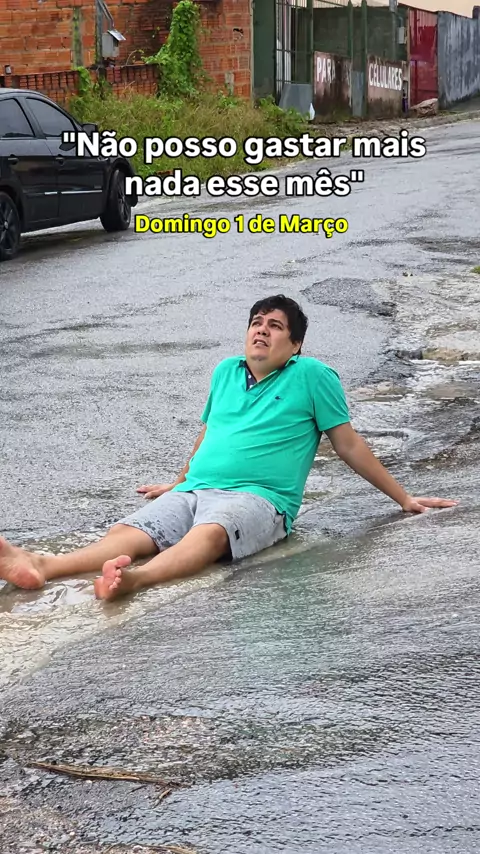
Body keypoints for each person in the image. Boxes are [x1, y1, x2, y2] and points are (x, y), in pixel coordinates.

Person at [0, 294, 458, 601]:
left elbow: (349, 445)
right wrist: (179, 482)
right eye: (256, 323)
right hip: (197, 487)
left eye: (275, 326)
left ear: (295, 344)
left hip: (260, 499)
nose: (261, 331)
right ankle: (43, 565)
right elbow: (210, 434)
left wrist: (403, 499)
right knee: (131, 532)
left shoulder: (314, 377)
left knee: (210, 534)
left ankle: (133, 580)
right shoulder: (225, 371)